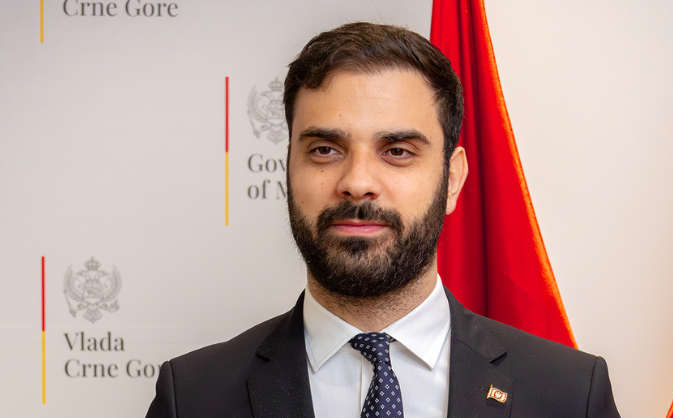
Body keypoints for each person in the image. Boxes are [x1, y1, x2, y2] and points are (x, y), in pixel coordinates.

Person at [145, 22, 621, 418]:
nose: (357, 182)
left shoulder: (571, 394)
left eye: (397, 151)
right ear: (289, 168)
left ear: (452, 180)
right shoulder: (193, 398)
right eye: (325, 150)